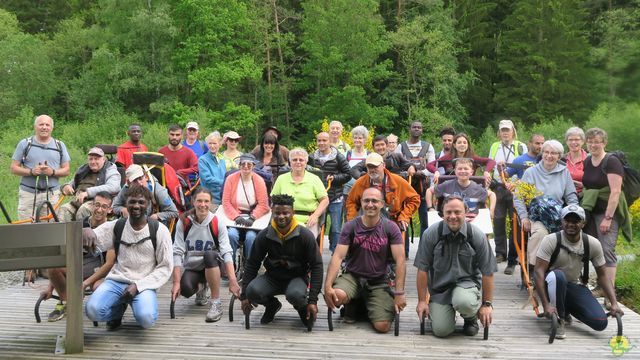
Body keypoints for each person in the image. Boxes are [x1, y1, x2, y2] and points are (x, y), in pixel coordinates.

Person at [84, 184, 173, 330]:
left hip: (144, 283)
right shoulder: (117, 226)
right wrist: (86, 230)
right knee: (92, 311)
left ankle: (138, 306)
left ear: (148, 205)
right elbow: (96, 236)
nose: (136, 206)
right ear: (126, 204)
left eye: (141, 202)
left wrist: (138, 286)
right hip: (117, 280)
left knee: (146, 319)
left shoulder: (159, 230)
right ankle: (116, 312)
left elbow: (165, 267)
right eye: (132, 202)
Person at [534, 205, 623, 339]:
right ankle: (559, 319)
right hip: (549, 284)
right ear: (562, 221)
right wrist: (545, 304)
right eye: (567, 220)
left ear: (583, 223)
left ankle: (565, 309)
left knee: (600, 323)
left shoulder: (592, 243)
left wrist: (614, 303)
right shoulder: (551, 240)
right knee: (558, 276)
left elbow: (603, 275)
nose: (571, 224)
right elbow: (538, 271)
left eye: (575, 221)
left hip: (572, 286)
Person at [324, 187, 406, 333]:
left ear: (382, 204)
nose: (370, 204)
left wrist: (399, 293)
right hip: (353, 276)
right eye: (366, 200)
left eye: (374, 201)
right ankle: (355, 302)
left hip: (379, 279)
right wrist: (328, 286)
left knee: (382, 326)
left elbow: (400, 260)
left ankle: (362, 305)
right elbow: (338, 256)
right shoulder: (351, 226)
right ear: (361, 203)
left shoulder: (390, 228)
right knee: (336, 296)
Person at [414, 195, 496, 338]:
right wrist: (422, 301)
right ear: (442, 213)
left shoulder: (476, 235)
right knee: (441, 331)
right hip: (440, 289)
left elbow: (488, 272)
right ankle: (443, 313)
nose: (453, 216)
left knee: (463, 301)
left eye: (457, 212)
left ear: (466, 212)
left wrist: (487, 304)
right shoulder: (431, 234)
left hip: (467, 285)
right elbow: (422, 269)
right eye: (448, 212)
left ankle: (470, 320)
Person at [239, 194, 323, 327]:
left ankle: (302, 308)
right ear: (272, 212)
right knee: (252, 291)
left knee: (295, 295)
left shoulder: (305, 235)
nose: (281, 216)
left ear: (293, 213)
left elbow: (317, 266)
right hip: (273, 277)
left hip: (297, 278)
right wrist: (244, 296)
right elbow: (252, 264)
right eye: (277, 213)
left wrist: (313, 300)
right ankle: (272, 305)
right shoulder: (264, 235)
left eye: (286, 213)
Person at [43, 192, 116, 322]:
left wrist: (85, 283)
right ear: (91, 205)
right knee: (53, 267)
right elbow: (65, 255)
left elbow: (109, 264)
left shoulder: (111, 228)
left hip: (99, 270)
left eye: (104, 207)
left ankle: (112, 313)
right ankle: (68, 303)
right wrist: (50, 287)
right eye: (97, 205)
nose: (99, 209)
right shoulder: (79, 225)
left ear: (110, 210)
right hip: (78, 266)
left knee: (101, 288)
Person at [172, 188, 241, 322]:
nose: (202, 204)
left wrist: (233, 280)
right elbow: (177, 251)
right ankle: (203, 287)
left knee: (209, 254)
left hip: (214, 263)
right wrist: (175, 282)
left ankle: (216, 302)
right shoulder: (184, 221)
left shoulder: (217, 221)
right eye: (199, 201)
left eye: (206, 201)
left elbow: (227, 251)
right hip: (194, 266)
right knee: (185, 290)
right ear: (193, 201)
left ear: (211, 203)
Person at [512, 140, 579, 276]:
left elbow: (571, 197)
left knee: (569, 235)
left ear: (559, 156)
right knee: (541, 234)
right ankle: (534, 270)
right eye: (546, 152)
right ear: (542, 154)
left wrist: (573, 214)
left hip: (557, 216)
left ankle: (567, 272)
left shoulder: (564, 172)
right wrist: (523, 217)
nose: (549, 156)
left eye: (553, 153)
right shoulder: (531, 172)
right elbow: (518, 197)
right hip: (536, 217)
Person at [582, 128, 632, 298]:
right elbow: (591, 185)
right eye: (590, 141)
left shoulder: (611, 162)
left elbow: (615, 191)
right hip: (592, 211)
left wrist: (608, 218)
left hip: (607, 213)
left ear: (604, 143)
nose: (593, 144)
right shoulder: (588, 160)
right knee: (594, 249)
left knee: (606, 249)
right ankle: (600, 285)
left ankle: (610, 292)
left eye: (597, 141)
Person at [345, 153, 420, 257]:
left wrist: (404, 216)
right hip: (366, 219)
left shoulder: (397, 181)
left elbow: (415, 199)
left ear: (383, 165)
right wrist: (352, 219)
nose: (372, 170)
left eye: (375, 166)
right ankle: (351, 261)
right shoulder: (360, 182)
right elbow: (351, 201)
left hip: (391, 220)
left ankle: (391, 263)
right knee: (350, 232)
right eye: (369, 167)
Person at [10, 114, 71, 220]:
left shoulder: (59, 145)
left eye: (47, 125)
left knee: (49, 230)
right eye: (41, 124)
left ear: (51, 128)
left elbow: (66, 170)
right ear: (35, 127)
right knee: (27, 229)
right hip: (28, 195)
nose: (44, 127)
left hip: (52, 196)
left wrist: (52, 172)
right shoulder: (25, 144)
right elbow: (14, 168)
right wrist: (31, 172)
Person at [488, 119, 527, 264]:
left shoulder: (520, 146)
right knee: (498, 220)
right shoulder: (494, 146)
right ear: (499, 132)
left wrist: (516, 183)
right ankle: (500, 253)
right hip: (498, 186)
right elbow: (490, 164)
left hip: (516, 187)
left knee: (515, 221)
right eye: (503, 130)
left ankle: (514, 253)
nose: (505, 133)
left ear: (513, 131)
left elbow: (525, 165)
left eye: (507, 130)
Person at [307, 132, 352, 252]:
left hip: (335, 196)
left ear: (329, 142)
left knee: (336, 228)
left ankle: (335, 253)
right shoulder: (311, 157)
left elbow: (348, 174)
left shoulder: (338, 156)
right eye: (319, 141)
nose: (321, 143)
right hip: (318, 198)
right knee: (318, 224)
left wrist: (335, 178)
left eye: (324, 140)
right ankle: (315, 252)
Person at [271, 148, 329, 238]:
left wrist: (315, 215)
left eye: (301, 160)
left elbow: (325, 200)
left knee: (306, 239)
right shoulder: (281, 179)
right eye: (294, 160)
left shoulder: (314, 179)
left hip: (308, 220)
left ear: (306, 162)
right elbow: (273, 200)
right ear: (290, 162)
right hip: (285, 219)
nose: (298, 162)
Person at [221, 154, 270, 260]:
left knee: (251, 237)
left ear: (253, 166)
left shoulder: (259, 180)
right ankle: (230, 264)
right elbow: (226, 202)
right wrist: (235, 217)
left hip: (254, 218)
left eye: (249, 164)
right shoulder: (231, 179)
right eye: (243, 164)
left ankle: (250, 265)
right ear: (239, 165)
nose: (246, 166)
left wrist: (253, 217)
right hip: (234, 217)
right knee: (231, 235)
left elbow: (263, 204)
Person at [395, 121, 436, 239]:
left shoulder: (428, 147)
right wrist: (407, 173)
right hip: (405, 189)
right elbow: (397, 167)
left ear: (422, 130)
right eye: (414, 127)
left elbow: (432, 167)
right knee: (403, 219)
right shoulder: (401, 147)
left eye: (419, 127)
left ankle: (424, 252)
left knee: (425, 222)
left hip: (423, 190)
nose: (417, 129)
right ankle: (404, 252)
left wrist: (418, 173)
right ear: (410, 129)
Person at [58, 147, 121, 222]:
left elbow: (114, 187)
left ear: (103, 159)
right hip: (77, 201)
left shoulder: (110, 169)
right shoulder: (84, 169)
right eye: (91, 159)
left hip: (97, 202)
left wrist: (88, 193)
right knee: (63, 209)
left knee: (83, 210)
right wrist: (66, 186)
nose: (93, 161)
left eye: (96, 159)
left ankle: (84, 233)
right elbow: (72, 183)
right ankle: (66, 233)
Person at [426, 158, 495, 220]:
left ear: (471, 172)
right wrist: (430, 208)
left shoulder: (477, 188)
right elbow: (429, 191)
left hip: (472, 220)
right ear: (455, 171)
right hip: (451, 220)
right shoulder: (447, 185)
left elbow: (492, 194)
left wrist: (491, 211)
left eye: (466, 169)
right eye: (460, 169)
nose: (462, 171)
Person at [112, 164, 178, 223]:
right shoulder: (126, 189)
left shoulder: (158, 191)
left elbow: (174, 212)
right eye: (135, 180)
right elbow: (115, 206)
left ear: (146, 177)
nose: (139, 183)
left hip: (154, 223)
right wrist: (123, 210)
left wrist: (157, 216)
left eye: (140, 178)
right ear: (128, 183)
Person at [427, 133, 495, 186]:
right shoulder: (448, 157)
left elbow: (491, 161)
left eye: (464, 143)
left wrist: (486, 171)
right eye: (459, 143)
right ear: (454, 145)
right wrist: (436, 171)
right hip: (451, 188)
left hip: (470, 188)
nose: (462, 145)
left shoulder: (473, 158)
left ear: (468, 145)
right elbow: (429, 165)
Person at [350, 135, 415, 180]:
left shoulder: (397, 156)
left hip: (395, 190)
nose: (380, 147)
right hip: (375, 191)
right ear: (373, 147)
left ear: (387, 145)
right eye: (377, 145)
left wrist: (412, 167)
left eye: (382, 144)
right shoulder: (369, 159)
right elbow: (354, 170)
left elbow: (410, 164)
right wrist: (365, 177)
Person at [199, 132, 227, 204]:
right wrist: (225, 182)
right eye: (210, 143)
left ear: (219, 144)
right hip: (210, 198)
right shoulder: (202, 160)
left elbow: (225, 176)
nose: (212, 146)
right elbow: (207, 179)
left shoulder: (222, 159)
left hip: (223, 197)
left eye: (214, 143)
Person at [562, 127, 587, 197]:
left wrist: (582, 185)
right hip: (563, 196)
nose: (573, 142)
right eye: (570, 140)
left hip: (584, 197)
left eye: (576, 139)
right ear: (566, 142)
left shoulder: (589, 159)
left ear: (582, 141)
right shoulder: (561, 159)